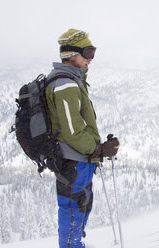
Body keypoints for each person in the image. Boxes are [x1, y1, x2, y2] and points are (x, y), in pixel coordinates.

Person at [45, 28, 120, 248]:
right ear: (71, 54)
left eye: (92, 52)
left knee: (82, 205)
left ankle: (76, 244)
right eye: (87, 52)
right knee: (73, 208)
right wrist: (99, 149)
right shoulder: (65, 84)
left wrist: (98, 149)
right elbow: (72, 131)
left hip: (81, 159)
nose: (90, 59)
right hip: (73, 161)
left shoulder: (73, 79)